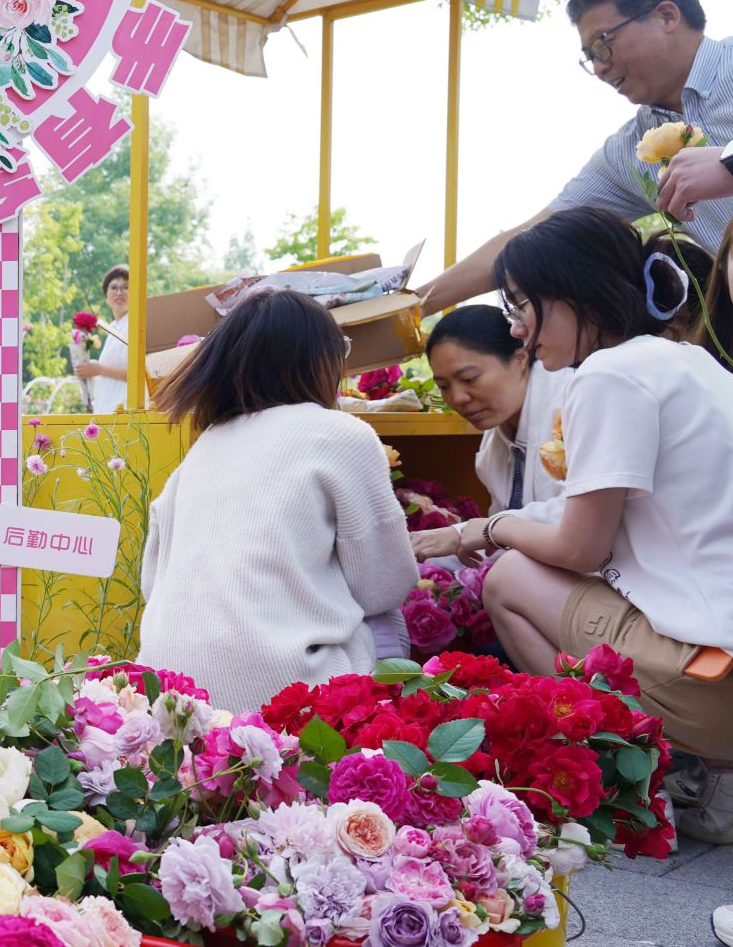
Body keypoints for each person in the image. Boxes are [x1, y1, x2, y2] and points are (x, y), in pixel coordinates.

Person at [441, 208, 733, 848]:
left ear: (572, 294)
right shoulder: (689, 361)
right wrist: (484, 527)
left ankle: (632, 777)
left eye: (521, 304)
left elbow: (579, 545)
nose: (517, 329)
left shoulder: (609, 373)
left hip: (712, 689)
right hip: (718, 660)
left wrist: (495, 531)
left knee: (508, 580)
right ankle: (713, 780)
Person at [136, 289, 419, 714]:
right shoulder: (342, 434)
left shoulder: (203, 449)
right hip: (290, 697)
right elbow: (386, 585)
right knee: (386, 624)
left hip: (174, 699)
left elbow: (151, 583)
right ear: (318, 360)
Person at [419, 0, 733, 312]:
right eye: (590, 56)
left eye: (603, 43)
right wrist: (412, 306)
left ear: (666, 16)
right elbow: (535, 237)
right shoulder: (629, 153)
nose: (599, 67)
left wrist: (728, 163)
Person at [409, 305, 571, 562]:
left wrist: (461, 533)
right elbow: (500, 545)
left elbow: (580, 516)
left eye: (469, 379)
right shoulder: (492, 448)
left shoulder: (572, 404)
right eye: (443, 386)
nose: (457, 398)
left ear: (520, 359)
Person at [75, 265, 132, 413]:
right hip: (107, 411)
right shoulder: (113, 327)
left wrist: (99, 369)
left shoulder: (137, 325)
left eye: (125, 287)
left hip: (125, 412)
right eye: (113, 288)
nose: (119, 292)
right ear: (106, 296)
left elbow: (140, 373)